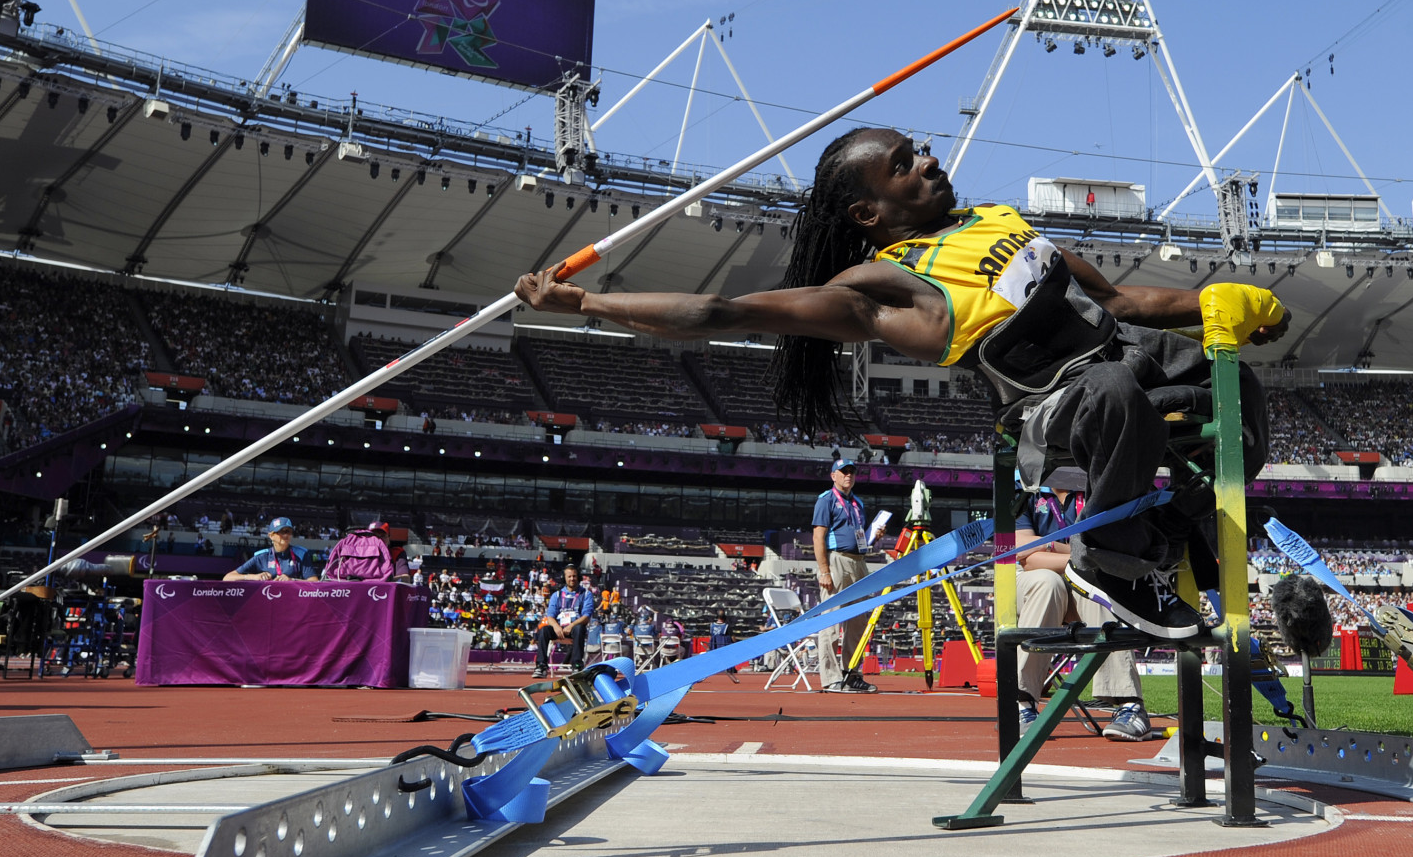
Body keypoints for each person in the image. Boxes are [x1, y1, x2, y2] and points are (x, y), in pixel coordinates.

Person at [515, 127, 1287, 640]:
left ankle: (1188, 537)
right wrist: (583, 301)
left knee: (1236, 387)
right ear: (867, 208)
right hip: (1053, 408)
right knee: (1118, 387)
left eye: (920, 149)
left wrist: (1219, 305)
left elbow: (1119, 303)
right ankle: (1114, 565)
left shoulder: (1000, 218)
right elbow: (723, 308)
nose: (927, 160)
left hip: (1126, 358)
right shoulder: (883, 285)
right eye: (903, 164)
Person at [1012, 480, 1157, 741]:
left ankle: (1129, 704)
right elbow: (1027, 556)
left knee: (1095, 586)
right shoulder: (1024, 489)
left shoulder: (1098, 488)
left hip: (1083, 579)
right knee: (1048, 582)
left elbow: (1107, 553)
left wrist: (1047, 545)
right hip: (1031, 581)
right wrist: (1080, 555)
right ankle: (1021, 702)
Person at [811, 458, 877, 693]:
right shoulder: (826, 500)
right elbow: (818, 537)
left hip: (859, 561)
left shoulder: (858, 502)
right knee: (830, 619)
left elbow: (860, 535)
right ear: (833, 476)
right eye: (843, 471)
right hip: (836, 560)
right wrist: (824, 570)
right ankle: (830, 678)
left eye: (852, 472)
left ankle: (852, 674)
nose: (848, 475)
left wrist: (874, 537)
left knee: (858, 620)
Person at [531, 564, 593, 679]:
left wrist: (571, 626)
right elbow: (550, 616)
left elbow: (586, 617)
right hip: (559, 629)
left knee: (579, 628)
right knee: (544, 630)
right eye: (569, 576)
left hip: (575, 628)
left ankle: (577, 666)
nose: (572, 579)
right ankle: (541, 666)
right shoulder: (557, 595)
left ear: (578, 577)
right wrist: (556, 627)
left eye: (574, 576)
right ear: (564, 578)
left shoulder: (586, 594)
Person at [225, 517, 315, 582]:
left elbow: (314, 582)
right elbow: (228, 577)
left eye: (288, 531)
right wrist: (254, 577)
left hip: (294, 601)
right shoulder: (262, 557)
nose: (286, 535)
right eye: (281, 531)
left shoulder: (301, 554)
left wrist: (292, 580)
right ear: (271, 536)